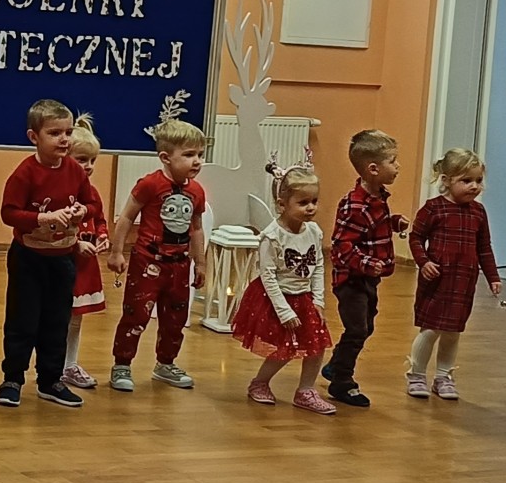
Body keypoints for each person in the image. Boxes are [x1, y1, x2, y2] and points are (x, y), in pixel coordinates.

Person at [0, 99, 104, 408]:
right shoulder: (25, 173)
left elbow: (92, 204)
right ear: (34, 137)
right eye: (55, 133)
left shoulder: (75, 171)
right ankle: (12, 379)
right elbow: (9, 213)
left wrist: (83, 210)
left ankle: (50, 380)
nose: (64, 139)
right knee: (22, 320)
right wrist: (42, 218)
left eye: (67, 132)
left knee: (57, 321)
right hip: (28, 258)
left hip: (63, 258)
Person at [107, 119, 209, 393]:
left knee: (175, 318)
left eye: (200, 154)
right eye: (189, 154)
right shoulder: (150, 184)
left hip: (179, 265)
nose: (197, 161)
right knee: (136, 315)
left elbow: (197, 228)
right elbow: (126, 217)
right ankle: (122, 364)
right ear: (165, 157)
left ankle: (165, 363)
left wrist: (200, 263)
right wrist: (116, 252)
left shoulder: (197, 191)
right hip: (148, 262)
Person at [231, 162, 335, 414]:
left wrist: (318, 300)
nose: (311, 207)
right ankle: (260, 382)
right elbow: (268, 276)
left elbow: (318, 266)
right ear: (282, 204)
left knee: (317, 345)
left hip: (304, 298)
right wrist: (284, 311)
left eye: (314, 201)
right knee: (284, 348)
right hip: (277, 299)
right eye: (303, 202)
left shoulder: (314, 231)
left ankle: (306, 390)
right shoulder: (272, 236)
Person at [406, 149, 502, 401]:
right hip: (437, 281)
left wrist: (493, 277)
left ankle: (443, 377)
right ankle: (416, 374)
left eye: (478, 180)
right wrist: (424, 262)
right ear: (446, 180)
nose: (474, 186)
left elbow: (484, 248)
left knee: (452, 331)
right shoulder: (433, 208)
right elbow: (416, 238)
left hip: (463, 281)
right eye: (466, 180)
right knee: (430, 329)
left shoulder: (478, 212)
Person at [322, 129, 408, 408]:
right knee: (357, 329)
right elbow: (341, 245)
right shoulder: (355, 205)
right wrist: (367, 263)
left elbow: (368, 230)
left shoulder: (378, 198)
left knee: (366, 326)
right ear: (373, 169)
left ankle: (336, 365)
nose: (398, 167)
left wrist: (393, 223)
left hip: (368, 278)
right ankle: (342, 382)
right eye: (392, 161)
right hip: (351, 280)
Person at [61, 116, 111, 390]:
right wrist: (75, 244)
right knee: (56, 317)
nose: (89, 166)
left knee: (75, 319)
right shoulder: (57, 190)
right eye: (82, 160)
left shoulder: (91, 192)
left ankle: (70, 364)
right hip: (62, 262)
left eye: (92, 160)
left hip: (84, 267)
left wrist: (102, 237)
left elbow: (99, 219)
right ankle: (52, 364)